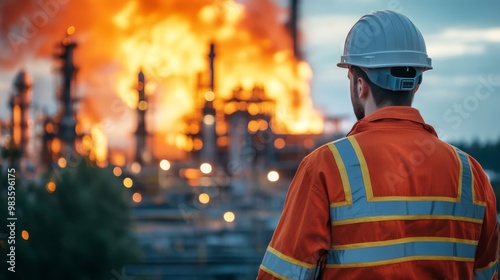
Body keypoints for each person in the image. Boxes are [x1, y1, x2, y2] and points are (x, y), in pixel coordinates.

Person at [257, 10, 498, 280]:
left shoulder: (325, 167)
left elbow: (281, 275)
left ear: (360, 85)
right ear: (416, 84)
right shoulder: (472, 174)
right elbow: (487, 274)